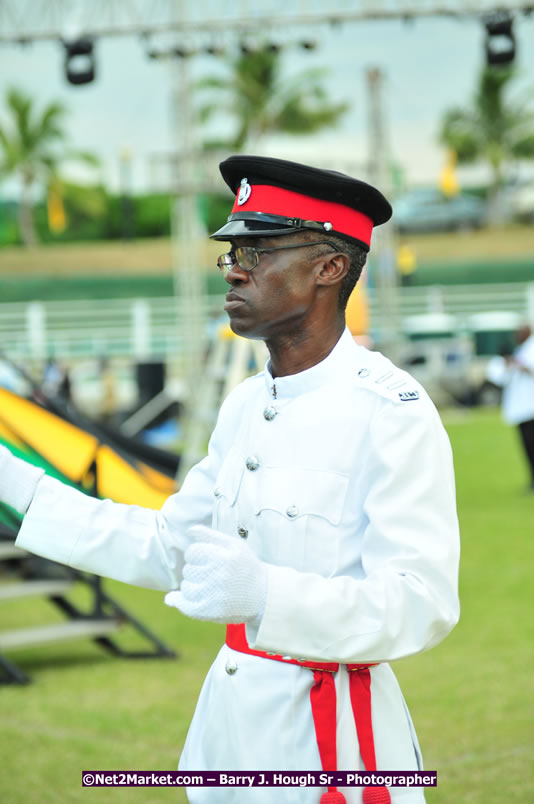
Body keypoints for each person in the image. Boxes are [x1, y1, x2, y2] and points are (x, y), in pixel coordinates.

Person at [0, 156, 460, 804]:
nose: (235, 268)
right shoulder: (246, 403)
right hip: (230, 741)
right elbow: (168, 547)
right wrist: (13, 483)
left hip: (333, 753)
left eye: (260, 249)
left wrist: (268, 595)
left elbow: (421, 603)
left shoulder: (390, 413)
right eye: (233, 251)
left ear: (330, 268)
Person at [487, 324, 534, 491]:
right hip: (522, 410)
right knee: (527, 447)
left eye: (520, 332)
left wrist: (519, 364)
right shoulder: (520, 350)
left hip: (531, 408)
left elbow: (529, 368)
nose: (517, 335)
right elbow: (498, 376)